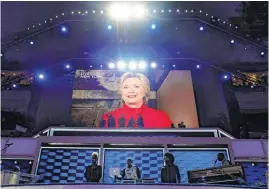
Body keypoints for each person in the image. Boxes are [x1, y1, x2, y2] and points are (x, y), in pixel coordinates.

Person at [102, 72, 172, 128]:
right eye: (126, 87)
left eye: (136, 86)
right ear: (121, 92)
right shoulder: (108, 118)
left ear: (145, 91)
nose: (131, 91)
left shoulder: (161, 117)